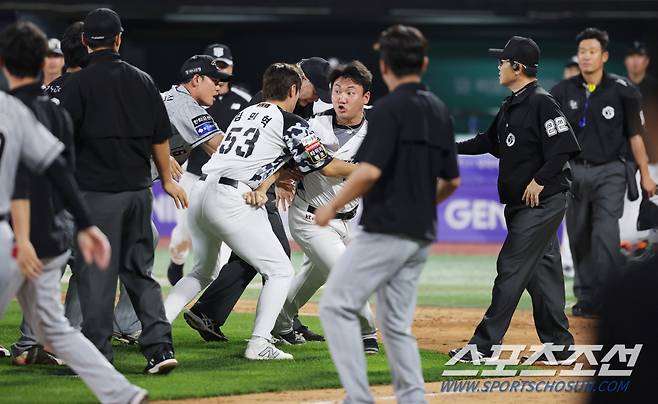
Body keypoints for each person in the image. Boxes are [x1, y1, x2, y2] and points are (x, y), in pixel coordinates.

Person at [165, 62, 357, 360]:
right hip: (231, 196)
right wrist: (366, 169)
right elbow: (329, 166)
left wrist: (273, 178)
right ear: (293, 90)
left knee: (203, 271)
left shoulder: (246, 112)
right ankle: (259, 343)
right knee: (280, 270)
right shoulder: (291, 121)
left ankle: (156, 329)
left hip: (202, 189)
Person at [0, 21, 148, 403]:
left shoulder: (11, 109)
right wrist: (85, 225)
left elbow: (21, 180)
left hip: (14, 236)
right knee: (58, 329)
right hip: (47, 232)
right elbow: (59, 171)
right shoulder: (48, 113)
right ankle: (123, 394)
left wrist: (23, 238)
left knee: (54, 328)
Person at [315, 25, 460, 403]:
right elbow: (453, 181)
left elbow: (370, 170)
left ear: (384, 67)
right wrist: (422, 207)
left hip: (386, 229)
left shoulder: (390, 110)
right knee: (395, 323)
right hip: (421, 232)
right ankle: (412, 397)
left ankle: (359, 398)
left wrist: (331, 205)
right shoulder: (439, 109)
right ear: (424, 63)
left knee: (335, 306)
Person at [59, 7, 187, 374]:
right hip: (138, 194)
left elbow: (63, 142)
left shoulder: (77, 85)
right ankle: (160, 349)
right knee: (140, 274)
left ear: (86, 41)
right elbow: (160, 136)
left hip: (98, 196)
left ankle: (96, 356)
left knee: (95, 277)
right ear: (118, 39)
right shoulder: (143, 80)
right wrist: (166, 178)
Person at [449, 36, 580, 365]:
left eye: (503, 61)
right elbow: (489, 141)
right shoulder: (513, 103)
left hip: (542, 203)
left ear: (517, 68)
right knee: (542, 275)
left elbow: (565, 146)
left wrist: (539, 180)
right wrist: (449, 149)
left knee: (510, 268)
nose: (499, 66)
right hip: (523, 206)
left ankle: (483, 346)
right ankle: (560, 347)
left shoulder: (542, 101)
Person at [271, 61, 379, 352]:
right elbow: (314, 165)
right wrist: (281, 177)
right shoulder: (313, 125)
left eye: (350, 92)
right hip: (310, 216)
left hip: (350, 220)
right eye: (337, 90)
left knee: (310, 277)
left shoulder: (377, 129)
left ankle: (279, 324)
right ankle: (367, 333)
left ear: (365, 98)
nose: (342, 98)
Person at [551, 28, 657, 318]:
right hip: (573, 172)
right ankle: (585, 297)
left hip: (611, 170)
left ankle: (608, 296)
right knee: (579, 234)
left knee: (606, 232)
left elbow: (636, 136)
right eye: (582, 52)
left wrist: (645, 175)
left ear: (604, 56)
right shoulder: (561, 91)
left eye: (592, 51)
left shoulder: (624, 90)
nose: (586, 56)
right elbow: (550, 136)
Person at [166, 43, 249, 286]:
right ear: (196, 79)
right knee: (181, 237)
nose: (218, 82)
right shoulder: (188, 104)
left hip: (221, 179)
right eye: (213, 75)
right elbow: (217, 145)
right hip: (192, 175)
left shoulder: (240, 101)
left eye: (223, 71)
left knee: (219, 244)